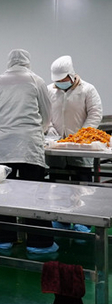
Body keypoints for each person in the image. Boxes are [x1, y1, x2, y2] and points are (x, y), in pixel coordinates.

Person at [0, 49, 56, 254]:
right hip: (29, 146)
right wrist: (39, 130)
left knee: (3, 193)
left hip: (2, 146)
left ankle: (4, 240)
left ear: (9, 63)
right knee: (34, 194)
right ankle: (39, 243)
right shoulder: (36, 80)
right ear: (27, 62)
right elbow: (47, 112)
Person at [46, 55, 102, 233]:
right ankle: (61, 219)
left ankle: (83, 221)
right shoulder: (49, 91)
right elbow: (43, 114)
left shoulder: (87, 89)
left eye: (63, 80)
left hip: (81, 146)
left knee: (82, 185)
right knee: (58, 185)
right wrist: (49, 129)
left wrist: (83, 135)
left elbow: (95, 113)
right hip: (57, 147)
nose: (59, 83)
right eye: (57, 81)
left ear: (71, 76)